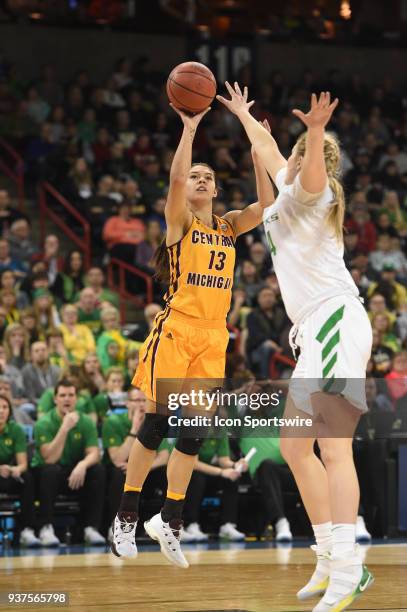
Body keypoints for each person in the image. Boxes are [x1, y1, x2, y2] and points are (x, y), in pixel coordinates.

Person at [218, 84, 374, 610]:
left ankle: (350, 566)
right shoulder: (283, 183)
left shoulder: (316, 187)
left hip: (335, 319)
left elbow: (306, 176)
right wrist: (243, 115)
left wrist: (312, 131)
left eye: (301, 154)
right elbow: (265, 145)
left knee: (332, 447)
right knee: (292, 447)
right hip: (314, 331)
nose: (288, 158)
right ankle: (328, 555)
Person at [111, 102, 273, 567]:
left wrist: (259, 153)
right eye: (197, 176)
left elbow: (265, 205)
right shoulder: (179, 220)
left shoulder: (228, 225)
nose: (200, 181)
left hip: (213, 336)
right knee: (158, 423)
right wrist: (189, 128)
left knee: (196, 434)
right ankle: (125, 515)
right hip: (177, 329)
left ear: (218, 190)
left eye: (208, 178)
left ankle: (169, 520)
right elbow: (176, 181)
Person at [32, 380, 106, 546]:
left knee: (98, 470)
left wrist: (82, 465)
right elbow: (50, 458)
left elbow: (94, 453)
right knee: (50, 470)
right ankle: (46, 528)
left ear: (77, 399)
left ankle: (91, 528)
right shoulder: (44, 423)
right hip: (48, 475)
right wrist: (64, 428)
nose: (67, 399)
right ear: (55, 399)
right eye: (62, 395)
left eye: (71, 395)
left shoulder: (86, 421)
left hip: (75, 473)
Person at [181, 434, 246, 542]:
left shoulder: (220, 432)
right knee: (197, 478)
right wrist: (221, 472)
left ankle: (227, 525)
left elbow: (223, 461)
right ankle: (191, 524)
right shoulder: (193, 430)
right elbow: (194, 464)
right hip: (187, 472)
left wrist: (236, 465)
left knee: (231, 478)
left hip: (209, 471)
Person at [0, 395, 40, 546]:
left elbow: (23, 463)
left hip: (9, 475)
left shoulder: (16, 429)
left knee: (28, 477)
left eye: (5, 407)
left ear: (9, 412)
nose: (1, 411)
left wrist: (14, 469)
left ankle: (27, 530)